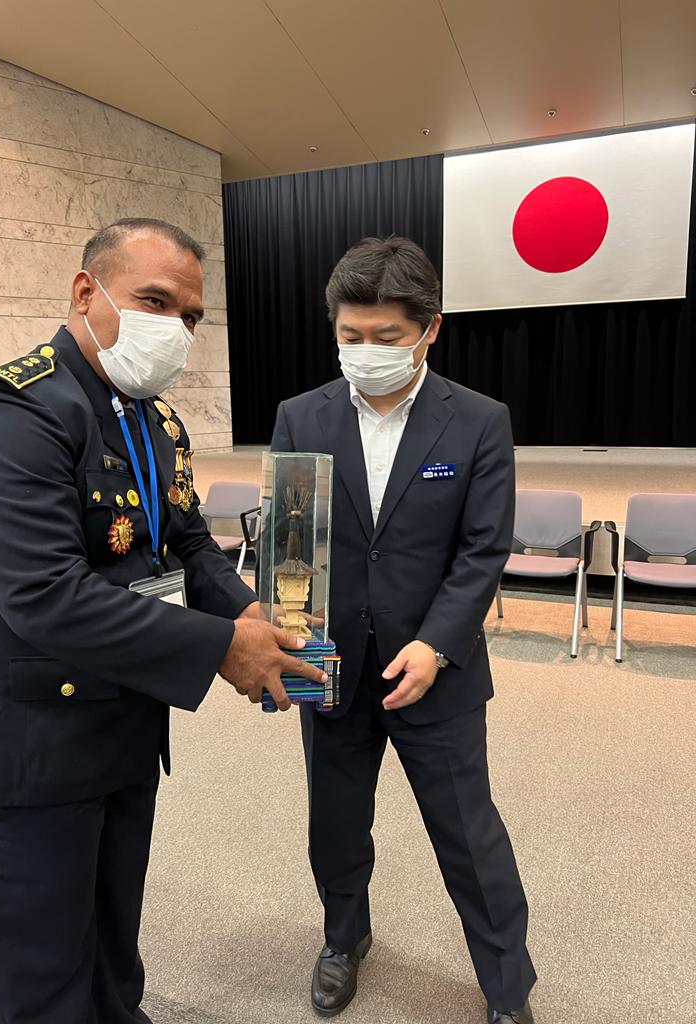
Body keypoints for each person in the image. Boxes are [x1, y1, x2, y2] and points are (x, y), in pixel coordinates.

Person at [0, 217, 324, 1024]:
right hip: (24, 756)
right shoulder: (12, 412)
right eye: (156, 302)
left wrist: (250, 610)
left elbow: (186, 543)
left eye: (192, 317)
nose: (176, 330)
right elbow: (45, 595)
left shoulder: (152, 418)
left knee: (114, 963)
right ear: (87, 291)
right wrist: (225, 648)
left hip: (120, 732)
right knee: (47, 989)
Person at [271, 237, 536, 1024]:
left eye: (386, 337)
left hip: (436, 669)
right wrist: (291, 648)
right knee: (335, 826)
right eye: (350, 336)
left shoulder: (478, 421)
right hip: (332, 665)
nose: (366, 351)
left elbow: (483, 549)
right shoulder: (301, 416)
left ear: (429, 329)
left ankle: (507, 986)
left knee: (469, 836)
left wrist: (436, 643)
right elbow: (292, 546)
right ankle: (343, 938)